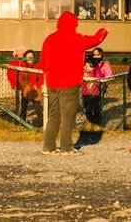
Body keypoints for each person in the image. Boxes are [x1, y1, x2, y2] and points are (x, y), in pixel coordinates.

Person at [39, 11, 109, 154]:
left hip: (52, 82)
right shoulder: (74, 38)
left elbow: (43, 63)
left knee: (54, 115)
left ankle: (49, 146)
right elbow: (95, 40)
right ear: (73, 25)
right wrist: (104, 30)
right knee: (68, 116)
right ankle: (66, 147)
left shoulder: (49, 39)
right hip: (69, 83)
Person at [81, 47, 112, 126]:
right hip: (86, 89)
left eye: (97, 54)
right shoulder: (88, 65)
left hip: (98, 87)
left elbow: (108, 75)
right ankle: (92, 123)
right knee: (87, 107)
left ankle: (98, 124)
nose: (95, 56)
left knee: (95, 106)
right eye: (94, 55)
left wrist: (101, 79)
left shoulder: (104, 64)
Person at [19, 50, 44, 127]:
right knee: (23, 106)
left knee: (37, 107)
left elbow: (41, 77)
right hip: (25, 89)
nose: (30, 58)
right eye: (28, 56)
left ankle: (41, 123)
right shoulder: (23, 66)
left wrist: (38, 85)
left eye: (31, 56)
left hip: (34, 89)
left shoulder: (37, 66)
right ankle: (22, 123)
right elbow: (20, 78)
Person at [6, 44, 28, 116]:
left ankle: (23, 116)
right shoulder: (13, 60)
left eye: (21, 50)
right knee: (17, 100)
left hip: (25, 82)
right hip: (16, 82)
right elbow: (9, 73)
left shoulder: (26, 60)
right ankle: (18, 115)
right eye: (18, 50)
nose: (20, 52)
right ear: (15, 51)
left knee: (24, 99)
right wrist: (12, 83)